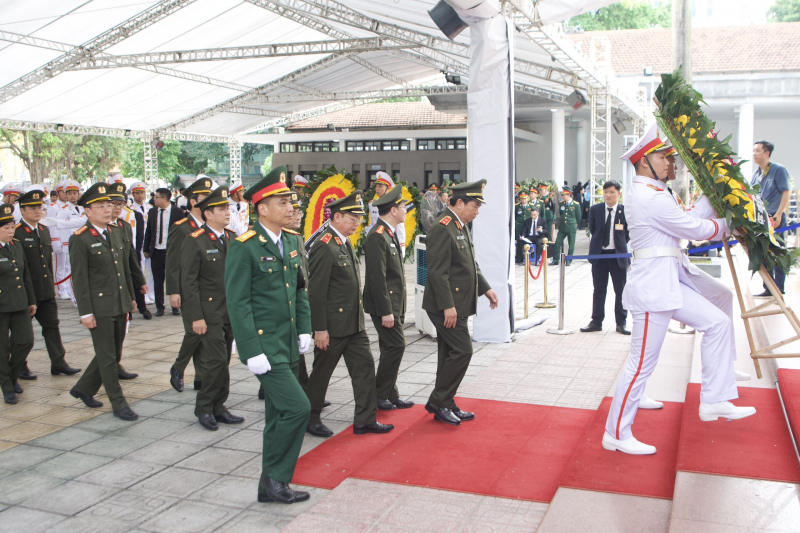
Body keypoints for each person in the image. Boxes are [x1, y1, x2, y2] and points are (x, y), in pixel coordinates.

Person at [603, 125, 755, 456]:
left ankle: (715, 398)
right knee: (641, 363)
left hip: (669, 281)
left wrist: (713, 196)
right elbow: (695, 229)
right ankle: (615, 433)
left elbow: (687, 217)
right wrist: (732, 219)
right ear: (645, 162)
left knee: (717, 322)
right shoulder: (648, 196)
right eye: (664, 157)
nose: (671, 163)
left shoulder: (658, 193)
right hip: (654, 288)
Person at [225, 166, 312, 504]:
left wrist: (304, 328)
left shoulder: (291, 240)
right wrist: (250, 349)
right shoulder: (244, 246)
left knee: (279, 414)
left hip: (288, 342)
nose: (290, 207)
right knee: (298, 408)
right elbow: (237, 301)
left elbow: (300, 291)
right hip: (264, 346)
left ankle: (269, 485)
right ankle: (277, 478)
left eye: (290, 201)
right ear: (262, 208)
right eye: (283, 202)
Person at [305, 191, 394, 438]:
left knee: (364, 369)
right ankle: (309, 418)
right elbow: (316, 293)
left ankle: (365, 419)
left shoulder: (343, 242)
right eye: (352, 218)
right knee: (321, 375)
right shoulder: (325, 246)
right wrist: (320, 329)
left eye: (359, 218)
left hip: (353, 324)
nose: (357, 222)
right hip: (333, 327)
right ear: (336, 216)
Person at [422, 180, 499, 425]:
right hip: (446, 305)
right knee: (463, 350)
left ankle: (446, 402)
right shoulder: (443, 227)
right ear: (459, 203)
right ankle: (438, 400)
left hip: (459, 302)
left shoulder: (460, 224)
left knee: (448, 354)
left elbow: (469, 263)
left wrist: (485, 288)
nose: (477, 211)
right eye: (474, 206)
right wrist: (448, 306)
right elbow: (437, 272)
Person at [68, 183, 141, 421]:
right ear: (87, 211)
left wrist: (131, 298)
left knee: (112, 353)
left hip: (119, 303)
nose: (107, 210)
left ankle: (84, 388)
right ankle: (118, 403)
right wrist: (85, 312)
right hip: (99, 308)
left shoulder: (115, 231)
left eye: (109, 205)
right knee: (108, 356)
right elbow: (80, 281)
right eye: (100, 206)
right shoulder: (80, 239)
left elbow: (125, 270)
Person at [181, 186, 244, 431]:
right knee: (216, 361)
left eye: (228, 208)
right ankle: (204, 407)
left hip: (229, 312)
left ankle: (219, 406)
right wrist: (196, 317)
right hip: (208, 314)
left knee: (224, 361)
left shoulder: (230, 238)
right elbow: (189, 282)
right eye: (221, 209)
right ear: (207, 214)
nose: (227, 212)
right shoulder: (194, 241)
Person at [14, 190, 80, 378]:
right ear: (23, 210)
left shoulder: (43, 229)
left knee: (52, 326)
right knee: (23, 334)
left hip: (45, 290)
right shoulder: (17, 232)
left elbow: (47, 261)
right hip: (28, 292)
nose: (38, 211)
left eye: (40, 207)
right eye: (33, 208)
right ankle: (20, 366)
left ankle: (59, 363)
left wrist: (52, 286)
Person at [363, 185, 414, 411]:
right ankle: (380, 394)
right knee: (396, 346)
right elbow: (377, 278)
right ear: (393, 210)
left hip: (394, 303)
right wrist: (386, 311)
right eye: (402, 207)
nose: (405, 210)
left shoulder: (388, 233)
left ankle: (390, 394)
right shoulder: (377, 236)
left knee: (389, 347)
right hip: (384, 305)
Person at [163, 179, 211, 391]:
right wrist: (173, 290)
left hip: (208, 289)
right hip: (187, 288)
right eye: (205, 200)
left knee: (204, 332)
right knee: (195, 331)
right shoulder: (181, 228)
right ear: (193, 202)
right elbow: (172, 261)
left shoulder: (210, 227)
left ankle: (200, 377)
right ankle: (178, 367)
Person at [581, 180, 631, 335]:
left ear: (618, 194)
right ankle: (596, 322)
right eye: (606, 192)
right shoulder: (596, 209)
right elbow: (594, 230)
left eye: (612, 192)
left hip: (618, 256)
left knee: (621, 291)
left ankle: (621, 323)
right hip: (600, 256)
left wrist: (620, 246)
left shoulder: (625, 211)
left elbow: (627, 235)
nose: (608, 195)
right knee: (599, 290)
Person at [0, 203, 36, 404]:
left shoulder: (16, 246)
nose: (10, 231)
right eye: (5, 228)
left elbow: (25, 276)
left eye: (12, 227)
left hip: (20, 303)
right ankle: (7, 387)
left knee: (25, 341)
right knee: (2, 349)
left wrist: (31, 301)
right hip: (1, 305)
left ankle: (11, 377)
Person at [751, 140, 790, 297]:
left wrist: (779, 213)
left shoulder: (778, 170)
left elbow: (786, 192)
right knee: (764, 253)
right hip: (761, 221)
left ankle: (779, 288)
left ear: (767, 153)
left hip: (775, 218)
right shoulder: (756, 174)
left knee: (778, 252)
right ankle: (769, 287)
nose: (754, 154)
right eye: (753, 151)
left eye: (757, 151)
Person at [143, 187, 184, 317]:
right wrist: (146, 248)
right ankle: (159, 306)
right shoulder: (153, 211)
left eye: (156, 197)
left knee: (174, 279)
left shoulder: (177, 212)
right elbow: (149, 231)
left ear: (165, 198)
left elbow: (182, 232)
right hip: (156, 250)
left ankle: (175, 306)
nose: (154, 199)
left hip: (171, 251)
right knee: (158, 279)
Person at [55, 180, 85, 301]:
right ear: (66, 195)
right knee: (70, 269)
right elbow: (59, 227)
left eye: (75, 193)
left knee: (79, 269)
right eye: (70, 193)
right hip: (69, 243)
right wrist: (61, 243)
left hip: (82, 242)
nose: (73, 195)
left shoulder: (82, 208)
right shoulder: (64, 210)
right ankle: (74, 297)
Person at [366, 172, 406, 256]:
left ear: (387, 188)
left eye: (380, 186)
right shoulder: (372, 204)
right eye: (376, 186)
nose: (377, 189)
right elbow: (372, 223)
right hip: (377, 239)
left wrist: (401, 248)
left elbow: (400, 227)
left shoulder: (393, 204)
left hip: (390, 240)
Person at [551, 187, 581, 266]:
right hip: (562, 227)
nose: (563, 197)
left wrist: (576, 225)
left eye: (564, 195)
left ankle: (569, 260)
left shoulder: (575, 204)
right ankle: (555, 259)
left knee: (571, 244)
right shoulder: (562, 204)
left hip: (571, 227)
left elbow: (578, 216)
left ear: (569, 195)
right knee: (557, 243)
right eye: (562, 195)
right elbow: (561, 214)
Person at [514, 192, 533, 264]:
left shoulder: (531, 206)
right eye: (522, 199)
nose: (523, 200)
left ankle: (527, 257)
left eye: (525, 198)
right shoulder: (517, 206)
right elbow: (515, 217)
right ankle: (519, 258)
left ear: (527, 198)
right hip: (520, 226)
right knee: (519, 243)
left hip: (528, 227)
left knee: (527, 242)